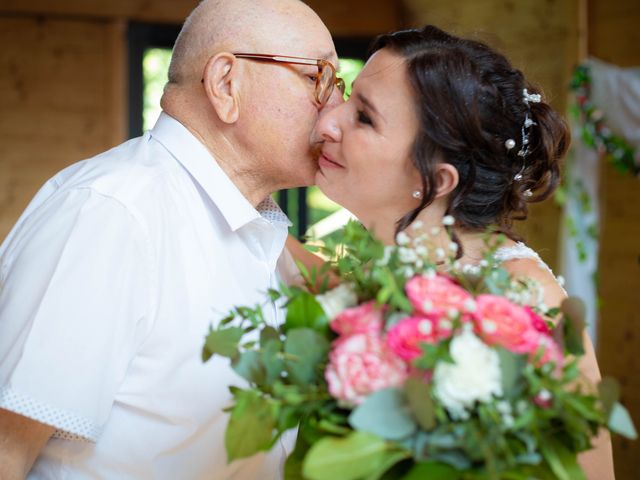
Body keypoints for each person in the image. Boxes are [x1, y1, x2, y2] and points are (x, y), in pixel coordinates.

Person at [0, 0, 343, 478]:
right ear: (226, 84)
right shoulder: (112, 214)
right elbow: (6, 451)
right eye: (319, 79)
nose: (336, 115)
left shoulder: (260, 233)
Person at [289, 26, 615, 478]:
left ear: (436, 181)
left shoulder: (522, 304)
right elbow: (284, 257)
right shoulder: (377, 270)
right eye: (347, 95)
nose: (327, 121)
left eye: (364, 117)